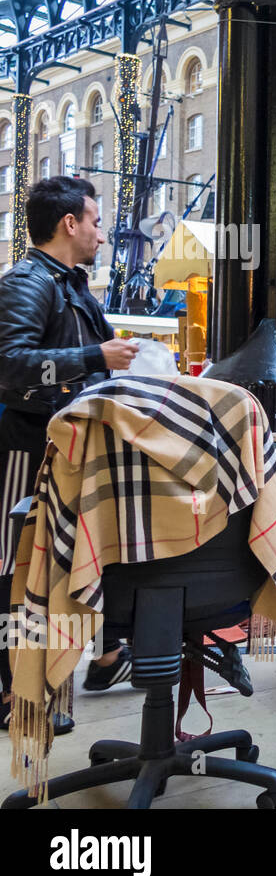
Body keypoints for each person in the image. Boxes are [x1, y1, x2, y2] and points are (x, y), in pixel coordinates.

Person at [0, 176, 140, 733]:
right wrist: (95, 354)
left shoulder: (69, 283)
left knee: (78, 561)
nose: (102, 234)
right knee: (16, 570)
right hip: (27, 450)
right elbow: (10, 365)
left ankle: (106, 657)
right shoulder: (27, 282)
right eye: (97, 221)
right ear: (70, 224)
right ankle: (17, 690)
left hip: (69, 449)